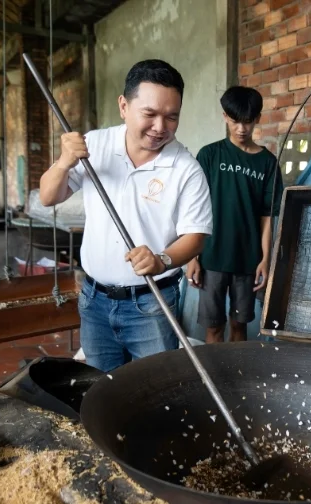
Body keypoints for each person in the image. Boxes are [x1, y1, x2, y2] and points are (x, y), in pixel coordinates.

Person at [39, 59, 213, 372]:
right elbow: (48, 196)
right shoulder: (95, 144)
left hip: (152, 303)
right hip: (94, 299)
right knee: (101, 385)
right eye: (150, 114)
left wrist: (162, 260)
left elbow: (196, 236)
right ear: (124, 106)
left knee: (154, 386)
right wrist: (64, 162)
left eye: (171, 117)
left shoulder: (186, 169)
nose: (160, 127)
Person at [186, 86, 282, 344]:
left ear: (257, 119)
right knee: (213, 328)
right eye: (235, 120)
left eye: (248, 121)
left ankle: (235, 370)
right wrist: (192, 257)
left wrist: (266, 259)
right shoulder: (209, 155)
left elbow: (267, 216)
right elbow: (194, 209)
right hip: (211, 257)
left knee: (240, 327)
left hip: (247, 261)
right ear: (225, 116)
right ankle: (214, 371)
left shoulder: (268, 163)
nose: (241, 128)